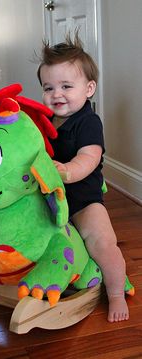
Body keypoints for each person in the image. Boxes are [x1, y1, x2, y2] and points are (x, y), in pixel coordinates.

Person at [37, 32, 129, 322]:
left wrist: (66, 171)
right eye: (48, 87)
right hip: (50, 198)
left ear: (89, 89)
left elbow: (89, 159)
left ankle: (115, 292)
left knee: (102, 242)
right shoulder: (46, 120)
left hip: (82, 200)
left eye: (66, 86)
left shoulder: (88, 122)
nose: (56, 94)